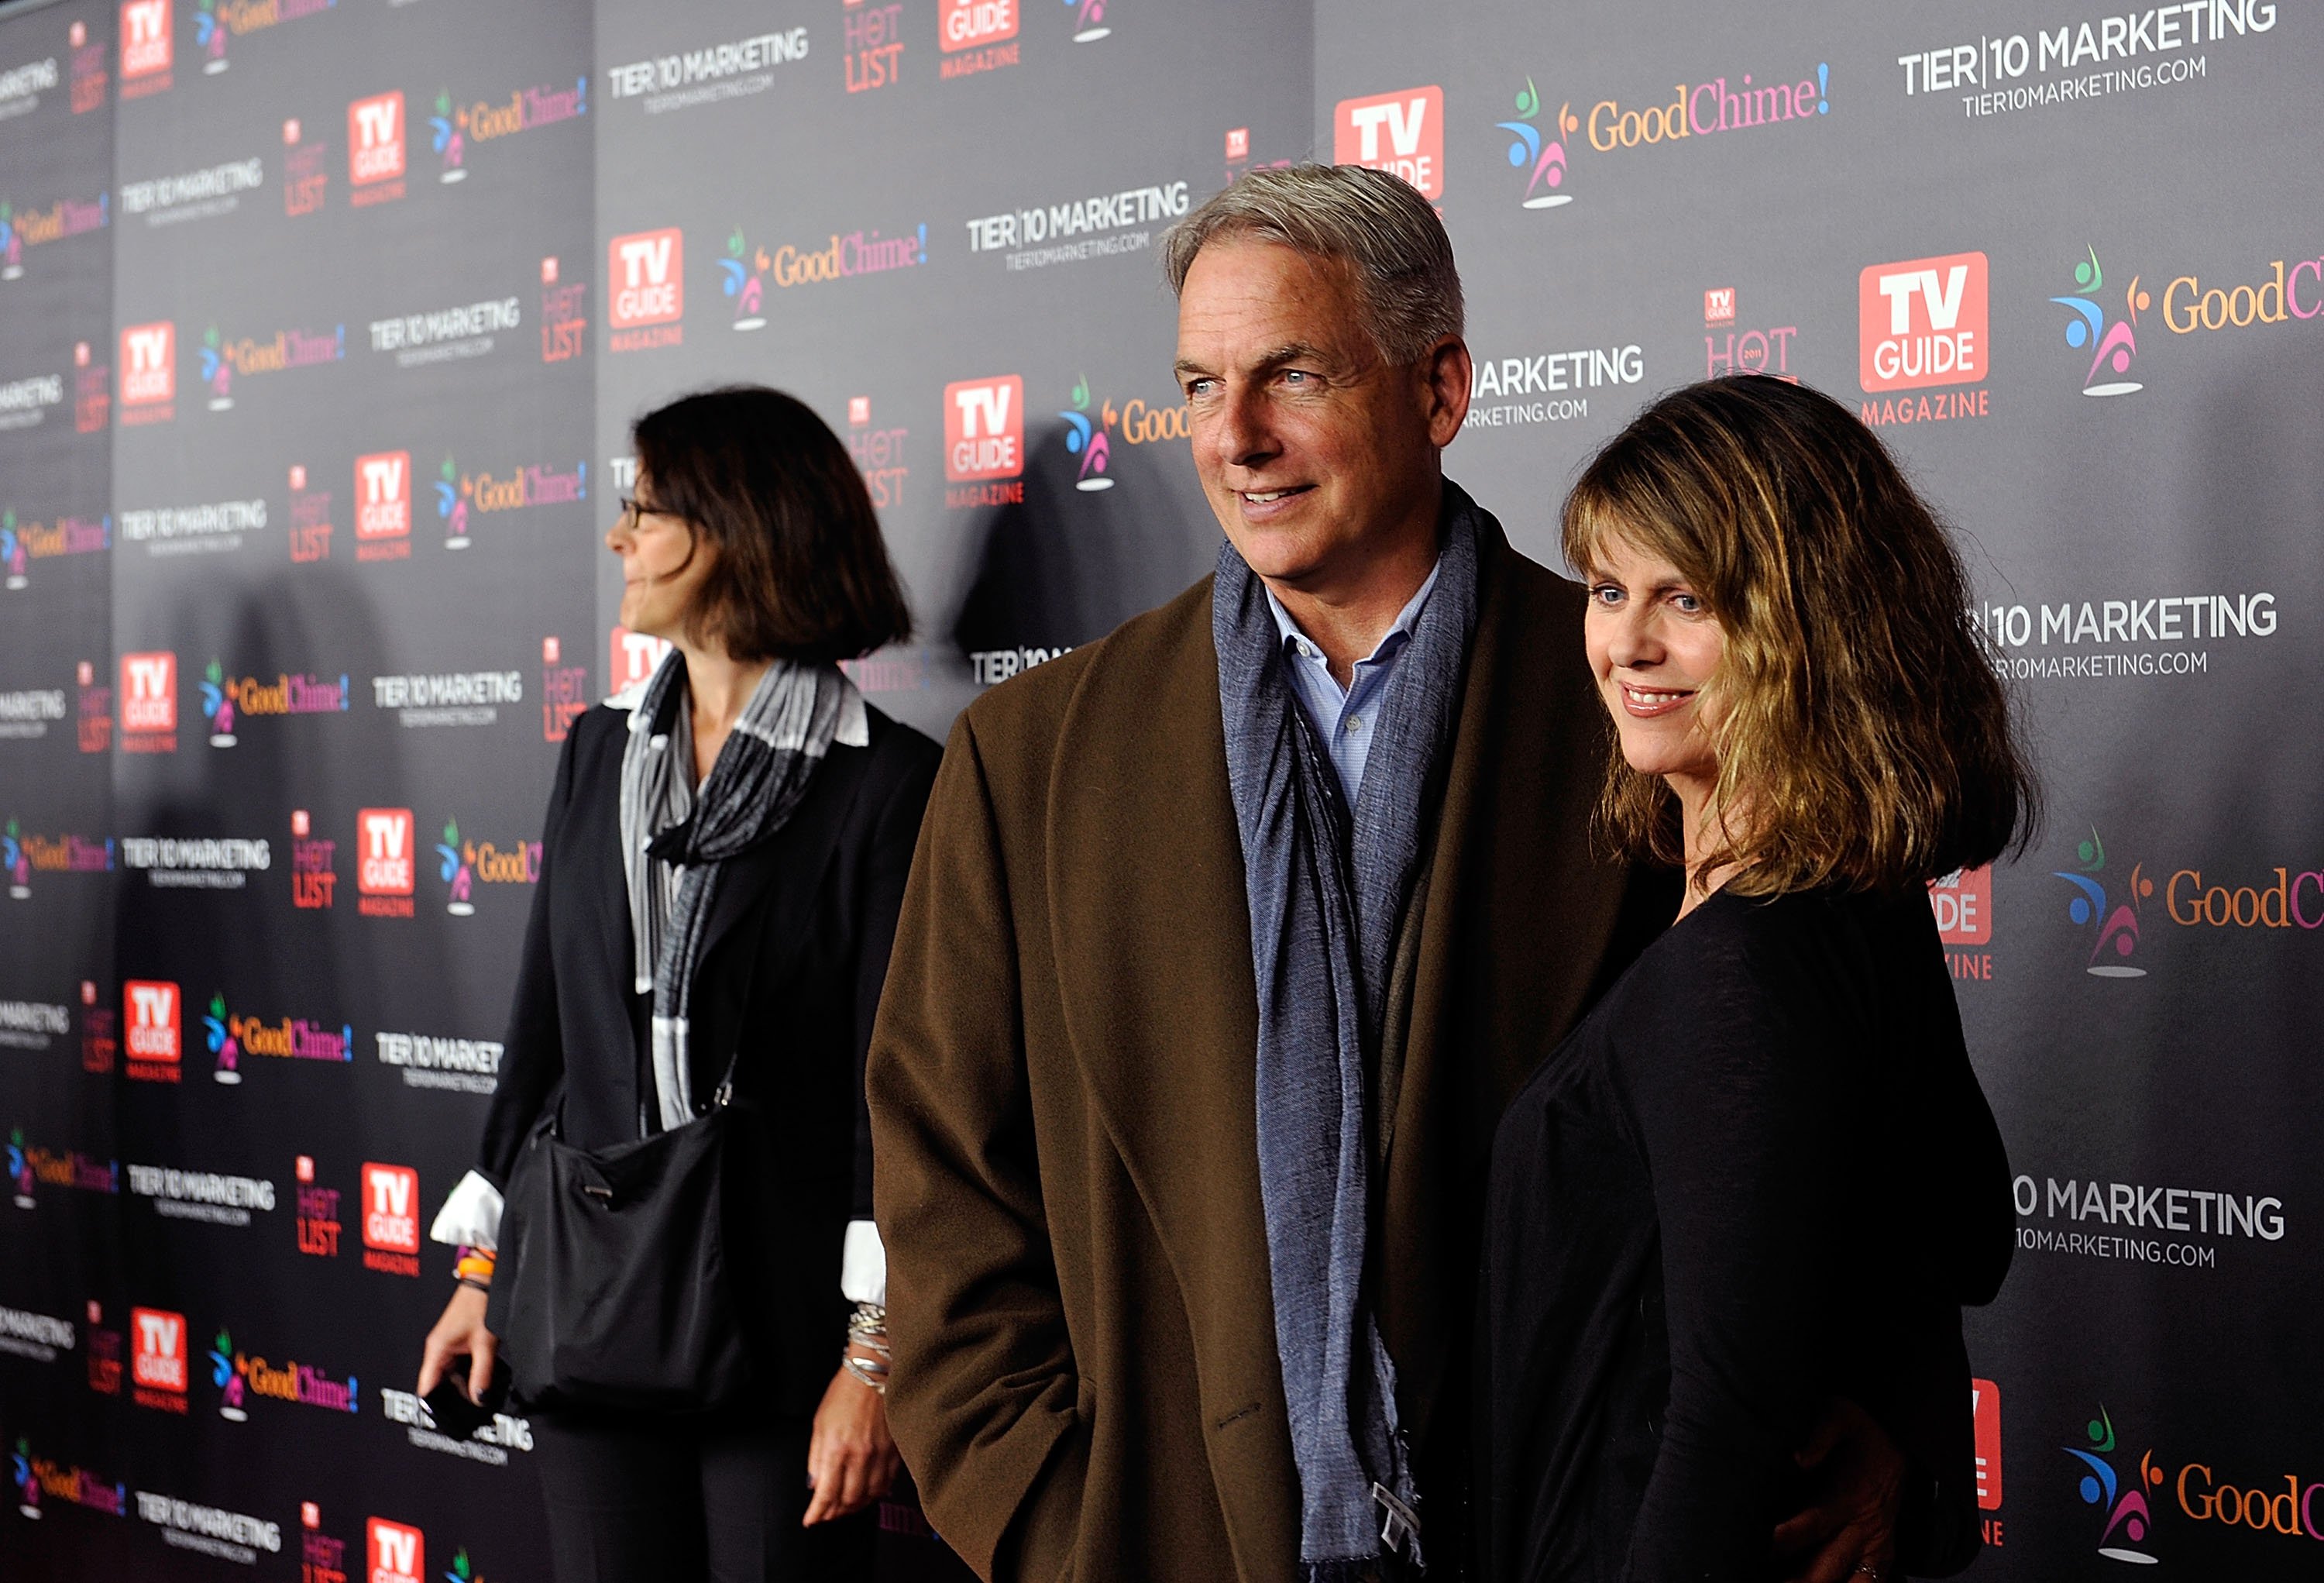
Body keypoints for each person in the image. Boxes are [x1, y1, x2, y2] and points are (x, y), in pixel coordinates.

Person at [867, 164, 1903, 1583]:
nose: (1234, 436)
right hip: (1168, 1542)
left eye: (1290, 373)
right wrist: (1060, 1528)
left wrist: (1878, 1412)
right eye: (1198, 383)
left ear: (1439, 388)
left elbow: (1854, 1109)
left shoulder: (1649, 696)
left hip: (1560, 1544)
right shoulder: (1031, 759)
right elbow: (946, 1191)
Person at [1479, 376, 2029, 1581]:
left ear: (1809, 625)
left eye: (1688, 599)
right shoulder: (1854, 905)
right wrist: (1896, 1438)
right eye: (1610, 591)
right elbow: (1960, 1233)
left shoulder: (1743, 963)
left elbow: (1720, 1426)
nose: (1627, 643)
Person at [415, 385, 940, 1581]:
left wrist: (873, 1364)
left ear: (737, 532)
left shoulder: (887, 787)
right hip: (592, 1314)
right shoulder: (598, 751)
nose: (619, 537)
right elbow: (541, 1037)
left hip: (784, 1335)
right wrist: (477, 1276)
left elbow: (895, 1103)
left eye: (645, 510)